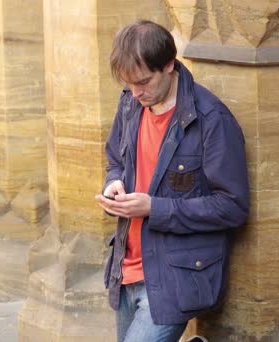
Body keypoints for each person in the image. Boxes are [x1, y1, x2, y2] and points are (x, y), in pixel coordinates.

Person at [95, 20, 249, 342]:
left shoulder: (211, 120)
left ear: (168, 65)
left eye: (143, 82)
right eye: (128, 84)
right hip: (126, 268)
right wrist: (114, 183)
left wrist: (154, 208)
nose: (136, 93)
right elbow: (116, 160)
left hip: (174, 278)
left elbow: (232, 207)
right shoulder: (130, 102)